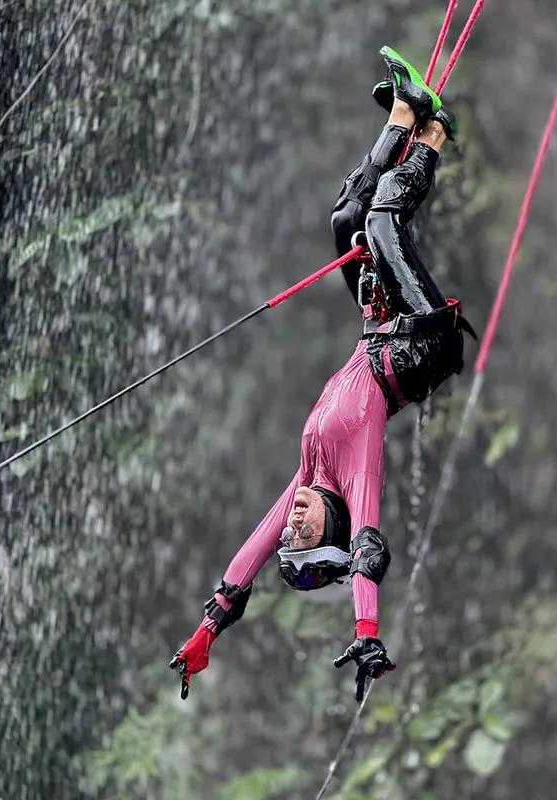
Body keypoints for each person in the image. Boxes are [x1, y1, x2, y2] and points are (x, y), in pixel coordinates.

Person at [170, 46, 474, 702]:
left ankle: (408, 118)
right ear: (331, 526)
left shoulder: (306, 479)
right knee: (383, 220)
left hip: (379, 326)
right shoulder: (355, 473)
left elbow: (245, 564)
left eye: (292, 533)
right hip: (424, 340)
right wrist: (366, 629)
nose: (293, 523)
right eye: (305, 533)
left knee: (346, 221)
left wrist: (206, 632)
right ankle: (431, 135)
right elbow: (369, 549)